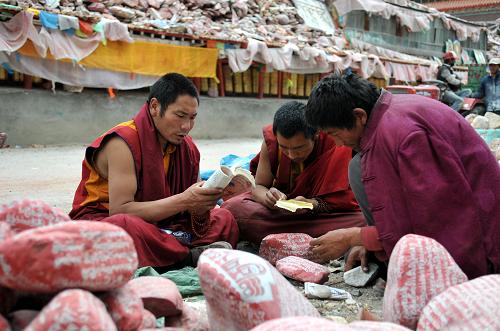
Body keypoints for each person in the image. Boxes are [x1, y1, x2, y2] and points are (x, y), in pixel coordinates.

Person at [305, 73, 500, 279]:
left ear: (359, 116)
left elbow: (437, 221)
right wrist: (370, 242)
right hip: (457, 219)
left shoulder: (404, 134)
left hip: (481, 243)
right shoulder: (386, 118)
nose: (338, 144)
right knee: (357, 167)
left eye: (335, 134)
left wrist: (356, 237)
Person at [69, 73, 238, 268]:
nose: (186, 126)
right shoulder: (122, 142)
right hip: (108, 220)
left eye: (192, 118)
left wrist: (201, 206)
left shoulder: (187, 148)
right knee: (124, 227)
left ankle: (173, 251)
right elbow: (120, 210)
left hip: (165, 225)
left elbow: (191, 209)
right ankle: (186, 256)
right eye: (180, 116)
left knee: (225, 218)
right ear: (155, 106)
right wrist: (185, 200)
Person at [222, 101, 365, 245]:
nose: (291, 155)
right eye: (284, 148)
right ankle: (316, 238)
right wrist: (269, 198)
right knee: (233, 207)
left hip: (317, 215)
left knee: (362, 220)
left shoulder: (334, 144)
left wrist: (312, 204)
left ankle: (279, 236)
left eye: (299, 148)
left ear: (315, 134)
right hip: (279, 213)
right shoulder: (271, 141)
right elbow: (258, 186)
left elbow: (345, 200)